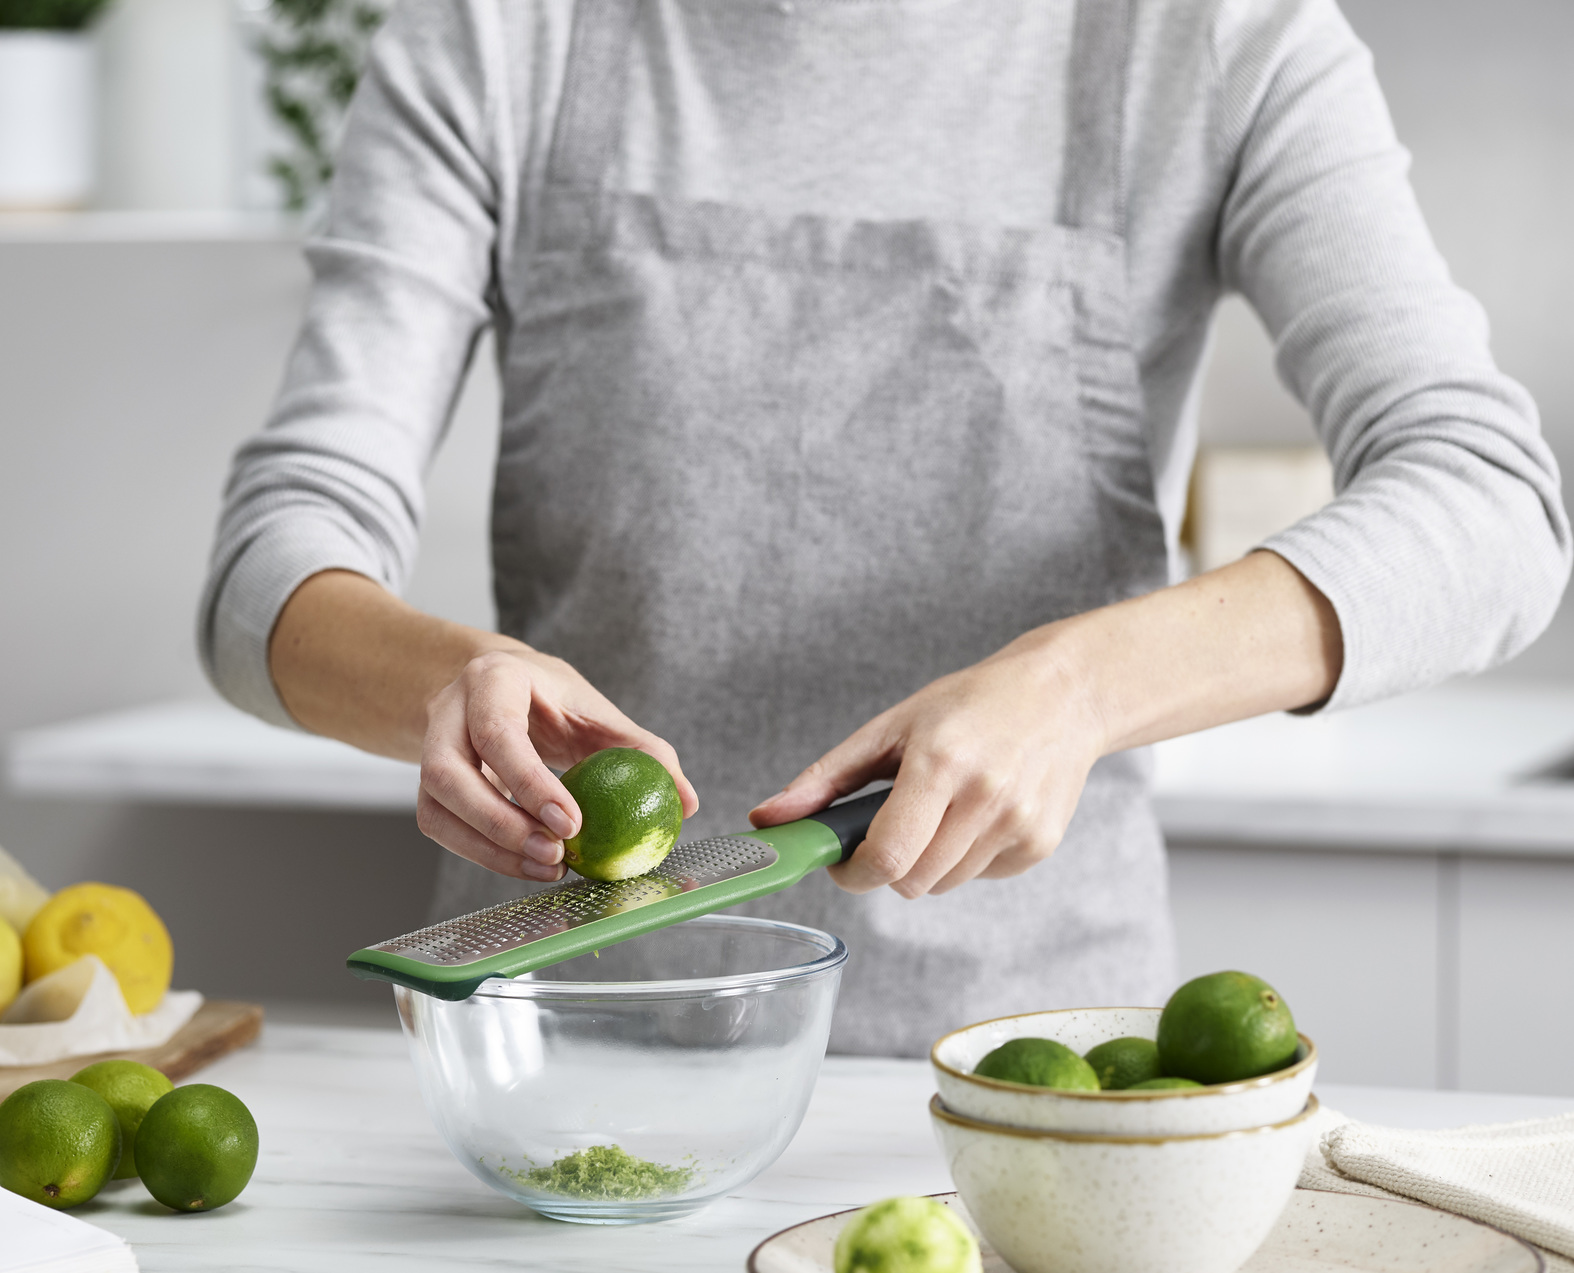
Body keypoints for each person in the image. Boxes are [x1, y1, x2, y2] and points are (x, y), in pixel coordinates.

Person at [201, 0, 1568, 1056]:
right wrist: (443, 683)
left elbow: (1489, 503)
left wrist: (1077, 685)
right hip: (554, 1069)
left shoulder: (1207, 44)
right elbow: (273, 559)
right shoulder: (506, 35)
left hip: (1016, 1089)